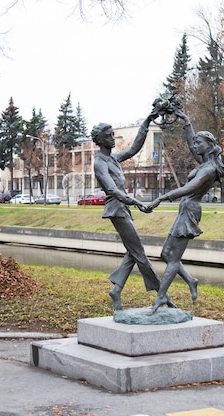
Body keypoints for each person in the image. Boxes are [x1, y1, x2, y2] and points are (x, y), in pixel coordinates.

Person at [145, 110, 224, 313]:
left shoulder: (209, 170)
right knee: (166, 254)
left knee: (172, 259)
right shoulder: (203, 163)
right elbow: (191, 141)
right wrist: (186, 120)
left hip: (190, 211)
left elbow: (187, 189)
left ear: (208, 146)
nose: (195, 146)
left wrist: (160, 199)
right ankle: (191, 280)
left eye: (199, 143)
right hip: (184, 210)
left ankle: (160, 298)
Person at [91, 110, 174, 311]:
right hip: (117, 209)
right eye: (109, 135)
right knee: (139, 253)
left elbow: (134, 148)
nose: (112, 138)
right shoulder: (99, 163)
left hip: (123, 208)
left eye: (112, 134)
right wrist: (137, 202)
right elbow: (111, 189)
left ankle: (117, 289)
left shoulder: (113, 159)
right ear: (101, 140)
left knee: (132, 251)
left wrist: (147, 121)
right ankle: (162, 295)